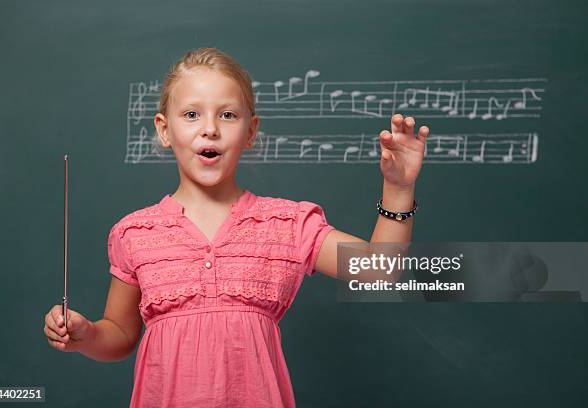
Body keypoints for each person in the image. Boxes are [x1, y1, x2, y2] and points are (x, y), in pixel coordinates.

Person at [43, 47, 430, 407]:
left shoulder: (287, 223)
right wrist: (88, 336)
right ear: (164, 129)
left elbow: (382, 270)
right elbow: (121, 335)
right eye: (192, 114)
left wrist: (399, 187)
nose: (210, 128)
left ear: (251, 131)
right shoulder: (135, 233)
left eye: (227, 115)